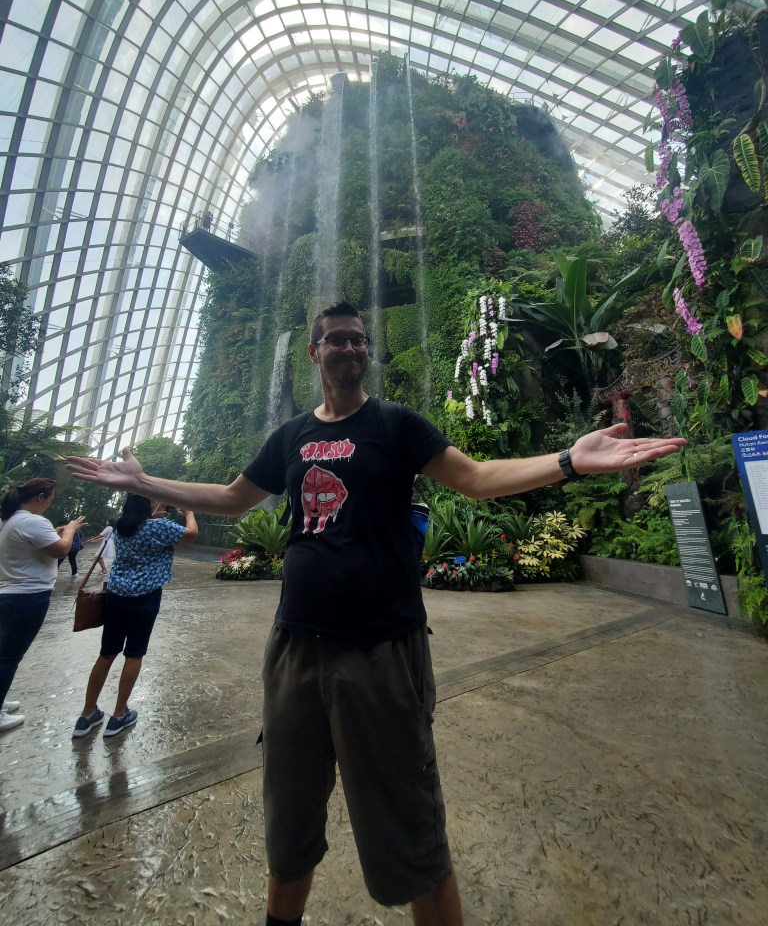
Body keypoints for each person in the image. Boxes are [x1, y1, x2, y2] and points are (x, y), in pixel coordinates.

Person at [67, 300, 687, 924]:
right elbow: (231, 498)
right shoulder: (290, 437)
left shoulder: (395, 424)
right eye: (336, 339)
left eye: (358, 339)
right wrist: (142, 484)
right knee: (289, 818)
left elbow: (475, 478)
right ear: (314, 352)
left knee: (410, 828)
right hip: (294, 653)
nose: (349, 348)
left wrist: (568, 461)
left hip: (382, 652)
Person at [71, 496, 198, 739]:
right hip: (145, 597)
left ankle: (87, 714)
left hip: (116, 595)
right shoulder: (159, 527)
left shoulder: (121, 526)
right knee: (134, 653)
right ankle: (119, 714)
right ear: (147, 504)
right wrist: (190, 512)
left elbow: (142, 528)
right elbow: (191, 534)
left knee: (107, 653)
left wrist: (153, 516)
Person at [0, 478, 87, 732]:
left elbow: (33, 546)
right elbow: (61, 550)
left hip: (9, 594)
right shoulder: (33, 521)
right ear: (40, 496)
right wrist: (70, 530)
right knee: (9, 657)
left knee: (5, 653)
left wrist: (57, 532)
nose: (51, 501)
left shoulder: (10, 520)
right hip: (27, 596)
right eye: (51, 496)